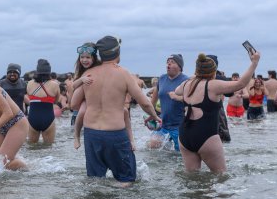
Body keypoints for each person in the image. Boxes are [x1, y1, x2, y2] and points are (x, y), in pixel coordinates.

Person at [71, 36, 160, 187]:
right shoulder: (123, 74)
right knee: (127, 181)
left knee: (95, 182)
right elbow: (144, 102)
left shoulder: (88, 74)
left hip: (91, 135)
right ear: (117, 52)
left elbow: (73, 104)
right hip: (114, 136)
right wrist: (154, 116)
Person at [175, 52, 260, 173]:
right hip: (206, 136)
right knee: (221, 177)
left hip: (184, 135)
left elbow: (177, 91)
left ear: (197, 70)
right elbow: (240, 84)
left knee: (192, 178)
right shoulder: (213, 85)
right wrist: (254, 63)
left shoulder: (186, 84)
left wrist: (194, 76)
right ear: (214, 72)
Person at [149, 54, 189, 151]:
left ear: (179, 67)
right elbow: (154, 99)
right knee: (152, 146)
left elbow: (191, 100)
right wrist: (151, 114)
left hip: (179, 126)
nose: (168, 64)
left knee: (180, 155)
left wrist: (177, 97)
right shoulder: (162, 78)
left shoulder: (186, 81)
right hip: (163, 124)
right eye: (167, 62)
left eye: (172, 62)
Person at [27, 59, 60, 144]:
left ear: (37, 71)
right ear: (49, 72)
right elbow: (56, 101)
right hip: (48, 118)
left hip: (32, 118)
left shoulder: (29, 83)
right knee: (48, 149)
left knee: (32, 148)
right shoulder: (55, 85)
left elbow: (29, 98)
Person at [207, 55, 231, 142]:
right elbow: (230, 93)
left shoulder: (196, 78)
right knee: (223, 137)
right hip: (217, 109)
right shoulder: (220, 78)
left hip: (201, 110)